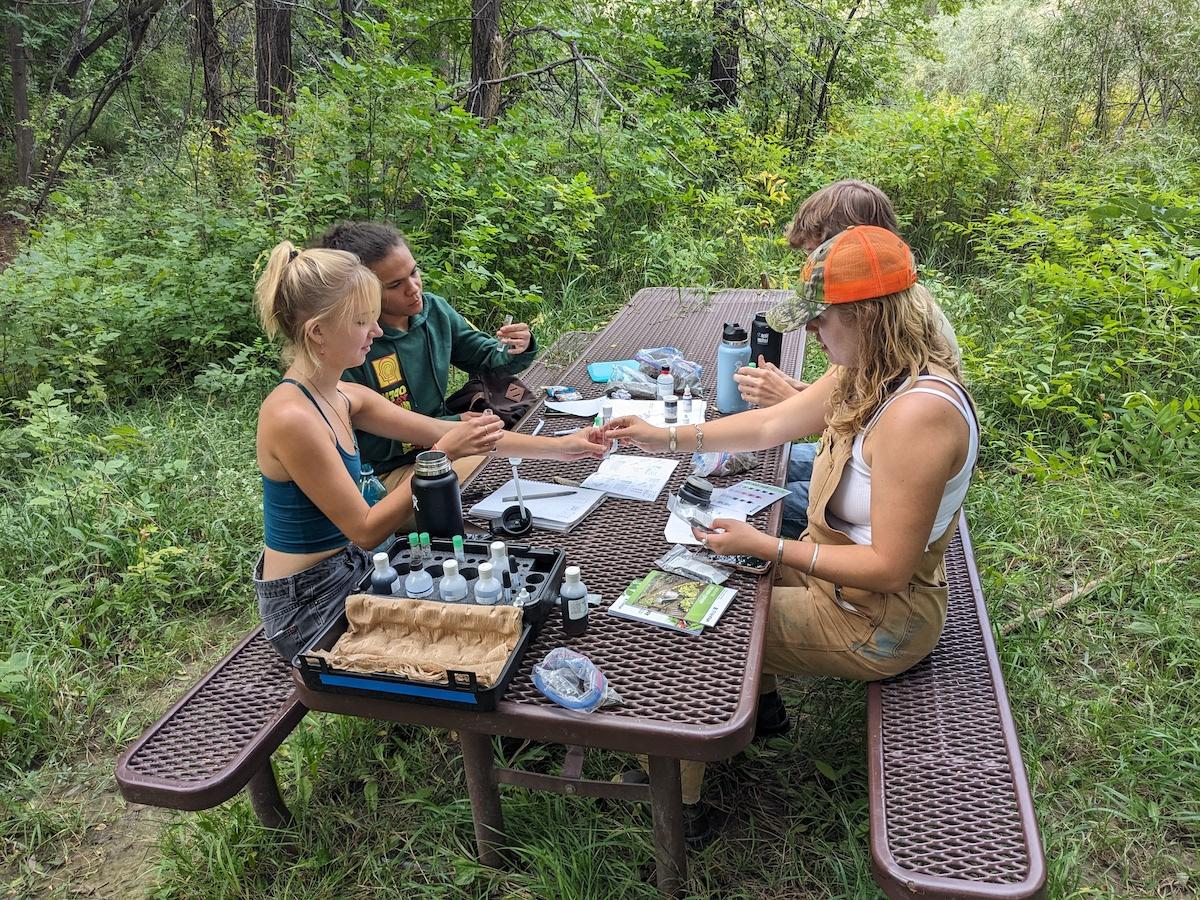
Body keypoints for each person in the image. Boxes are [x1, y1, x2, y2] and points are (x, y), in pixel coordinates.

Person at [604, 226, 978, 845]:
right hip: (837, 577)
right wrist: (660, 437)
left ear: (865, 315)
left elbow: (887, 567)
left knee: (693, 622)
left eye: (819, 318)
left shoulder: (919, 412)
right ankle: (763, 707)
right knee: (697, 572)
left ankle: (682, 813)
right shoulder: (868, 368)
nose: (808, 333)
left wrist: (766, 546)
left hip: (882, 616)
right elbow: (770, 425)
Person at [253, 241, 607, 662]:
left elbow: (457, 430)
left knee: (517, 603)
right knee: (486, 639)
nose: (378, 332)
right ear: (318, 333)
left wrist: (562, 447)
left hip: (360, 564)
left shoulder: (344, 394)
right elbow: (365, 528)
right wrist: (440, 454)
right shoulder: (293, 417)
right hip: (309, 606)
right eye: (364, 321)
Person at [734, 180, 960, 539]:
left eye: (814, 251)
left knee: (757, 497)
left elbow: (880, 443)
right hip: (854, 463)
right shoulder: (886, 309)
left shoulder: (893, 328)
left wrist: (791, 403)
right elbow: (866, 402)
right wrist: (803, 393)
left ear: (849, 247)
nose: (810, 264)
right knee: (759, 463)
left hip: (870, 496)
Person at [315, 221, 539, 495]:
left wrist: (515, 347)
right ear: (360, 290)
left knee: (522, 466)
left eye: (414, 272)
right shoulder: (350, 345)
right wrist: (453, 427)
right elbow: (361, 435)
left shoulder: (435, 313)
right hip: (383, 474)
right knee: (504, 474)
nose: (413, 288)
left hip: (446, 447)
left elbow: (485, 357)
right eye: (395, 285)